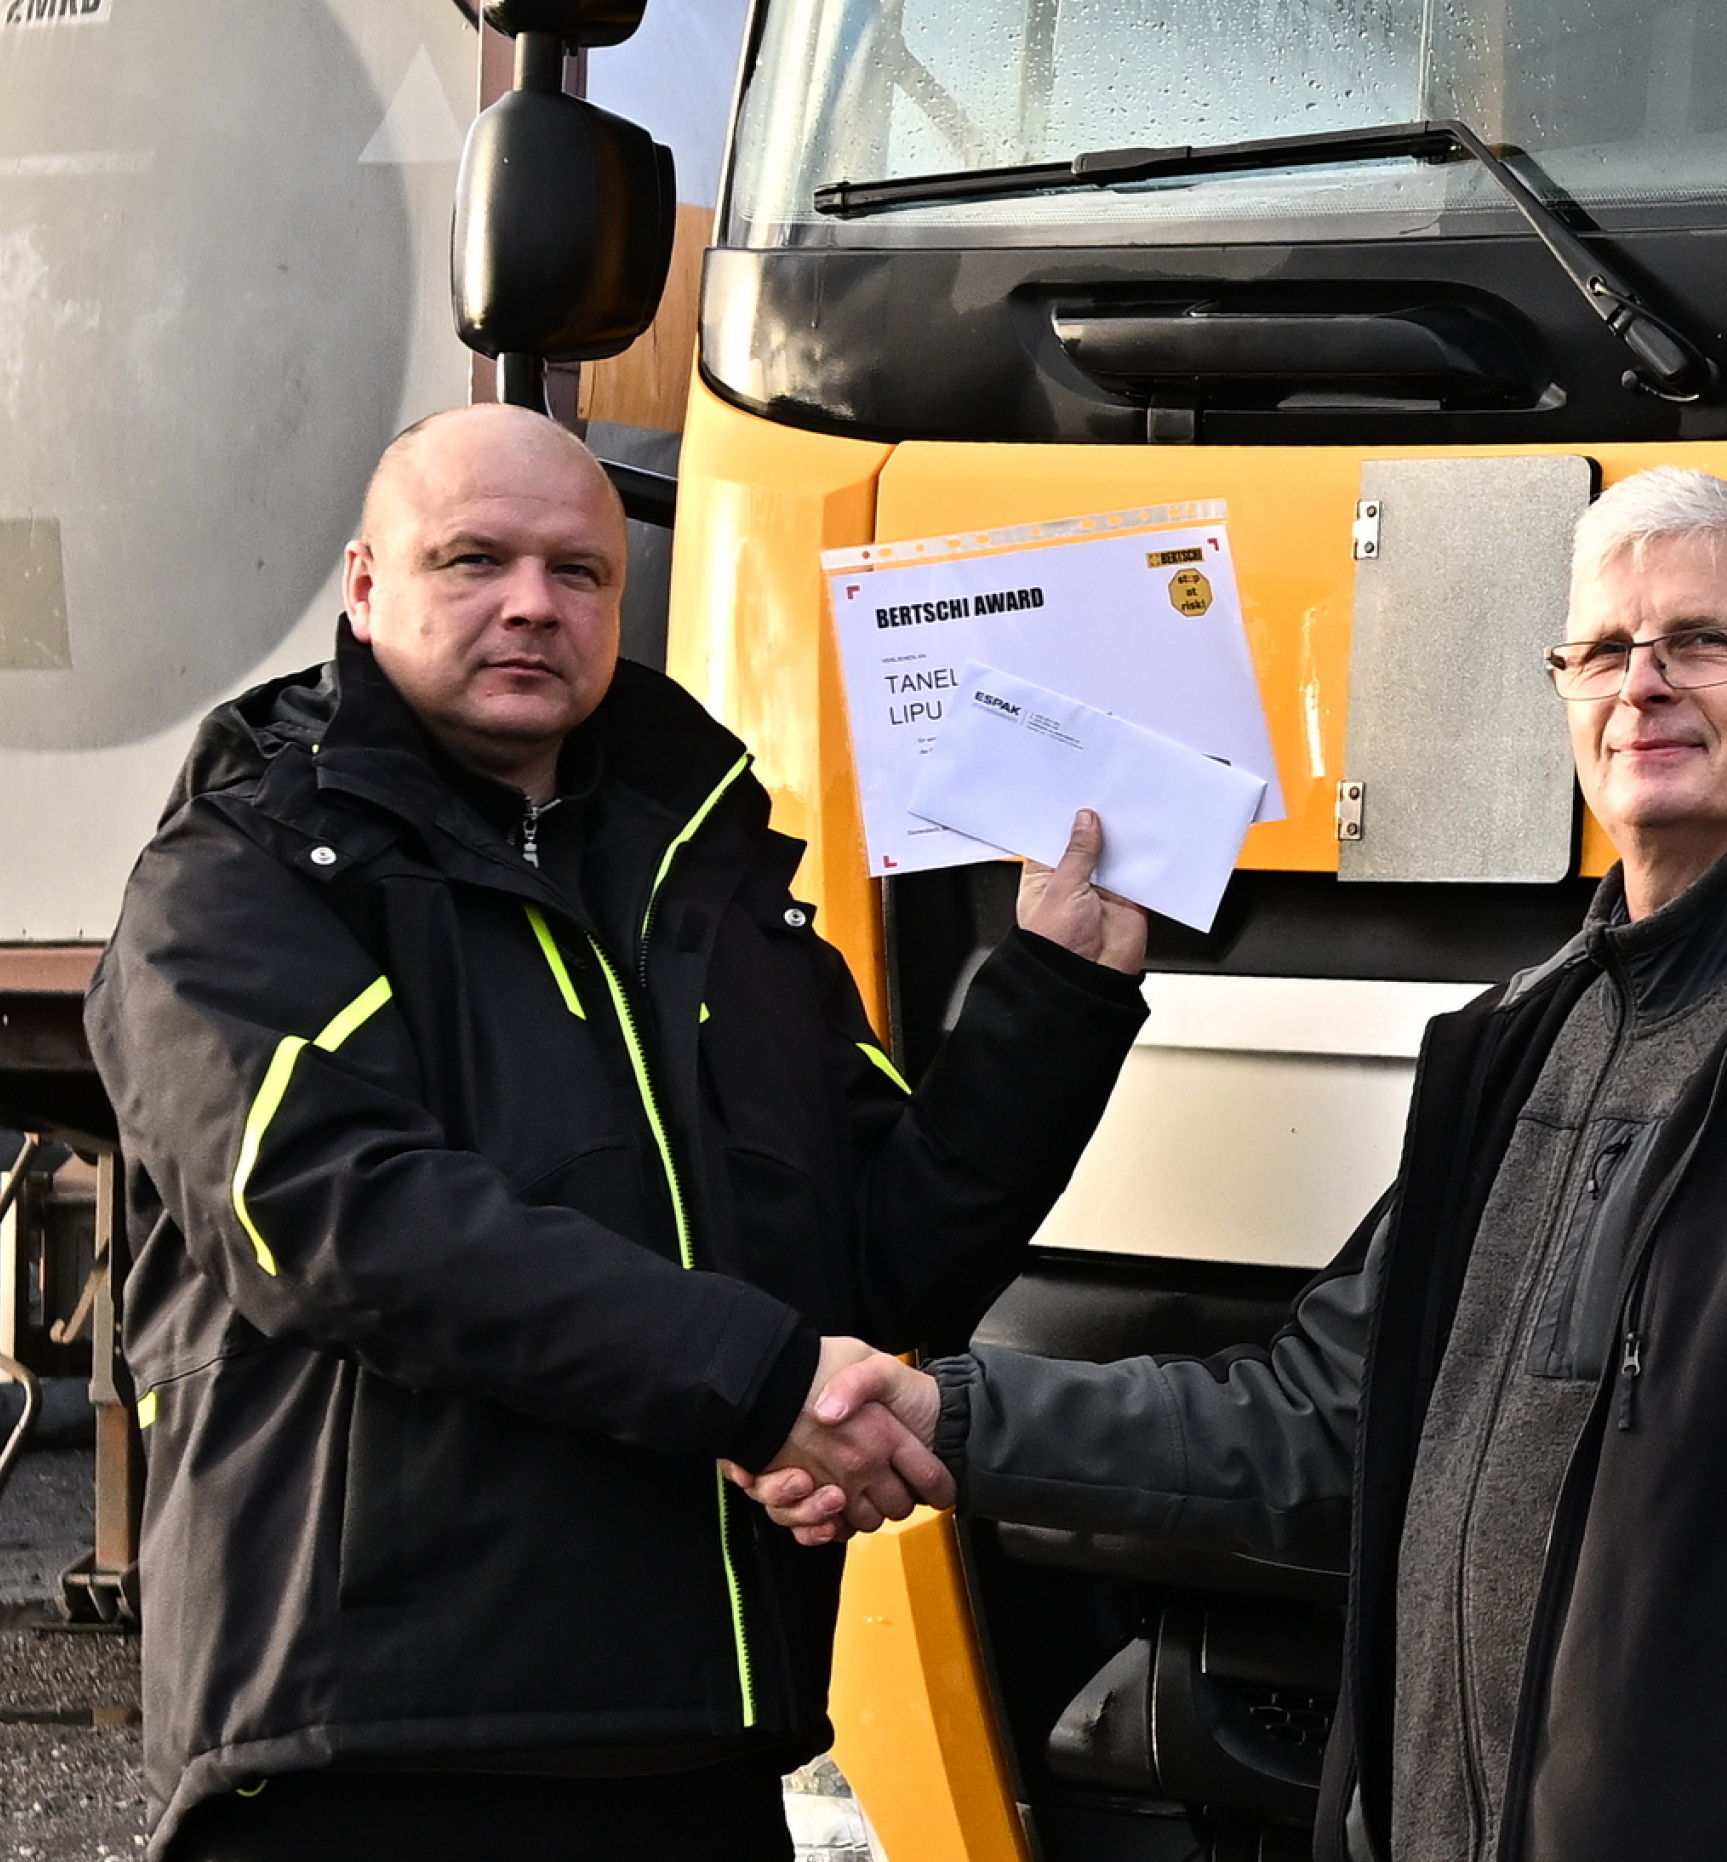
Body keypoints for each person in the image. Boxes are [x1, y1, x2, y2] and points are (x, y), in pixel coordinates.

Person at [756, 468, 1727, 1862]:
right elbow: (1316, 1424)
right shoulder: (1511, 1046)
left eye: (1703, 642)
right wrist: (946, 1416)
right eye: (1605, 651)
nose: (1644, 684)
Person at [90, 404, 1154, 1860]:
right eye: (473, 560)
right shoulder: (244, 869)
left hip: (692, 1752)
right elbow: (342, 1219)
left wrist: (1056, 986)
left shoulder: (712, 881)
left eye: (579, 573)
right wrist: (761, 1379)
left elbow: (883, 1258)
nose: (533, 603)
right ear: (362, 584)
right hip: (374, 1758)